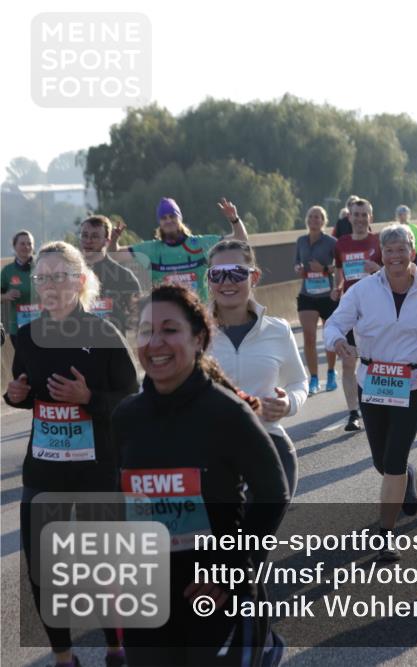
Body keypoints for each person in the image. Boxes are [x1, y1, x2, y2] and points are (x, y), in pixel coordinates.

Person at [113, 284, 289, 665]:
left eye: (170, 330)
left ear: (198, 339)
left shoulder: (226, 412)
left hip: (214, 592)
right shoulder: (126, 416)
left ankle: (262, 643)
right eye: (146, 331)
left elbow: (273, 493)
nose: (155, 342)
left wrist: (229, 571)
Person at [4, 241, 138, 667]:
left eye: (59, 276)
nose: (49, 285)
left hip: (97, 468)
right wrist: (15, 396)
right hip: (44, 471)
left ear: (80, 282)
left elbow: (133, 401)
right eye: (42, 278)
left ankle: (116, 648)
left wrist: (90, 397)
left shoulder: (104, 334)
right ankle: (64, 657)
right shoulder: (26, 336)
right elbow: (26, 391)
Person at [324, 224, 417, 561]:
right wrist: (338, 340)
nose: (395, 256)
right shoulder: (363, 290)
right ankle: (406, 476)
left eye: (401, 249)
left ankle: (386, 534)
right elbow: (335, 323)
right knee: (382, 462)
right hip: (373, 384)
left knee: (394, 459)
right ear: (380, 255)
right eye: (389, 250)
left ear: (412, 253)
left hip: (412, 385)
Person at [208, 239, 309, 496]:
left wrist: (289, 404)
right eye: (217, 274)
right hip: (210, 455)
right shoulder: (190, 332)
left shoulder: (277, 330)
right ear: (208, 279)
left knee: (259, 532)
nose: (227, 281)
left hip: (269, 445)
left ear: (254, 276)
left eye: (237, 272)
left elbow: (299, 382)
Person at [109, 196, 249, 302]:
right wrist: (114, 239)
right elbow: (114, 256)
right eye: (164, 218)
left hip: (200, 317)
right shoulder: (151, 249)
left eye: (172, 216)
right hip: (168, 319)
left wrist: (234, 219)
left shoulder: (200, 244)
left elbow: (241, 240)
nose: (168, 220)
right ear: (159, 223)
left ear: (180, 218)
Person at [333, 198, 383, 431]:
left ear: (370, 218)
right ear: (349, 217)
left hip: (375, 310)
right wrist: (337, 286)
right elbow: (339, 272)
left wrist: (379, 270)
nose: (360, 219)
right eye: (356, 214)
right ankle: (353, 413)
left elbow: (396, 273)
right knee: (348, 362)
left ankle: (376, 403)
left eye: (365, 215)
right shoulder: (341, 243)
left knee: (376, 361)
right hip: (350, 310)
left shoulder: (379, 242)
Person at [293, 205, 340, 395]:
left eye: (318, 217)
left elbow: (338, 266)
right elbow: (297, 261)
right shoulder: (301, 241)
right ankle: (313, 378)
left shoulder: (331, 242)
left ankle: (330, 373)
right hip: (307, 295)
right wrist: (298, 268)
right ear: (307, 219)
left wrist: (323, 268)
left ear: (324, 221)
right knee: (309, 337)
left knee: (329, 337)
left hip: (327, 295)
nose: (314, 220)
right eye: (311, 216)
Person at [79, 215, 142, 335]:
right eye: (84, 235)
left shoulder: (125, 277)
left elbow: (138, 320)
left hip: (114, 346)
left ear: (107, 241)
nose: (88, 240)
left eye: (95, 236)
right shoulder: (70, 275)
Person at [1, 230, 36, 347]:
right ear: (14, 246)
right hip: (17, 328)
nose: (26, 247)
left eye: (29, 243)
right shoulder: (7, 271)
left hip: (42, 327)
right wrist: (6, 296)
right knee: (24, 363)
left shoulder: (42, 267)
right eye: (22, 243)